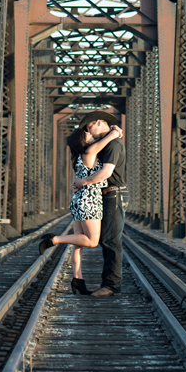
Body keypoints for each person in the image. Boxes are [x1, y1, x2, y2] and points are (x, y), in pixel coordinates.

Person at [38, 121, 123, 295]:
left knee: (78, 244)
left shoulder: (78, 156)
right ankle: (53, 240)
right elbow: (104, 145)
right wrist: (114, 133)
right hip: (89, 199)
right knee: (92, 241)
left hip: (78, 199)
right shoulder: (89, 152)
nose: (90, 134)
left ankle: (78, 279)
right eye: (87, 134)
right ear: (83, 141)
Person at [74, 111, 126, 297]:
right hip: (105, 195)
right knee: (106, 240)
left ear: (98, 122)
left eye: (89, 127)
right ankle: (107, 283)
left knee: (111, 240)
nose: (89, 131)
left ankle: (111, 286)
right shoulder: (107, 141)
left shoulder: (113, 144)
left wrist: (83, 182)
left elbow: (106, 173)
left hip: (113, 194)